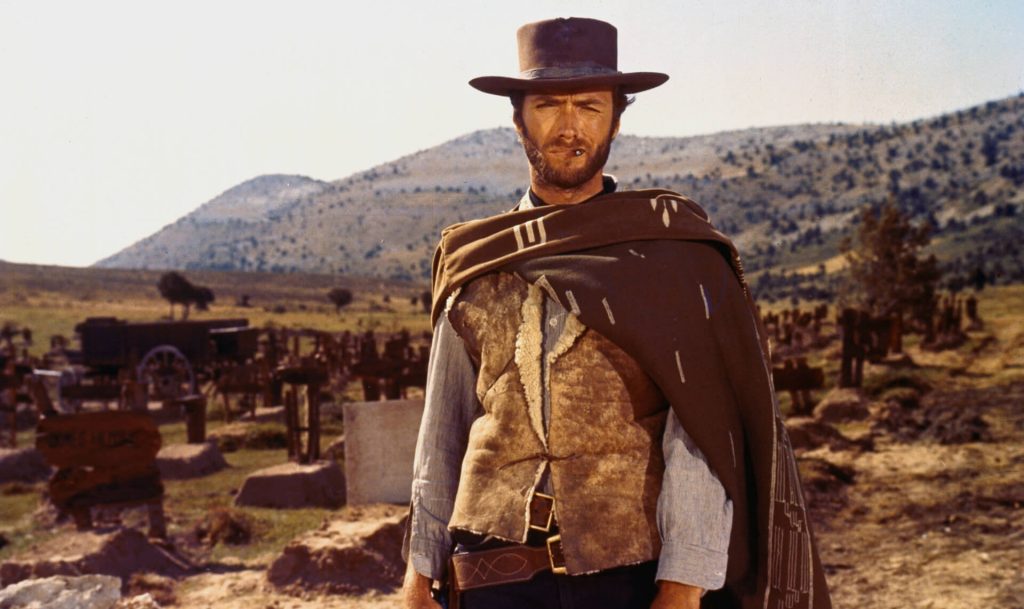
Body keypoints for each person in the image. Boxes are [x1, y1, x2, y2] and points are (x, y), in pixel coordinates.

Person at [402, 17, 831, 609]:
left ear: (618, 118)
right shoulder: (474, 257)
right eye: (549, 104)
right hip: (488, 574)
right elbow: (443, 425)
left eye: (590, 107)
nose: (570, 126)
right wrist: (420, 567)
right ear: (518, 117)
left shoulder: (671, 256)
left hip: (625, 575)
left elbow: (700, 431)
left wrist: (684, 583)